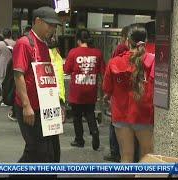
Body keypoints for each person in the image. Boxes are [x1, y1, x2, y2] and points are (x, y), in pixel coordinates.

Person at [13, 6, 62, 162]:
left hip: (45, 107)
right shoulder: (24, 43)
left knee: (51, 152)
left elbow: (47, 78)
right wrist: (26, 106)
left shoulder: (44, 45)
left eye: (55, 26)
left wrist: (57, 104)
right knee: (36, 150)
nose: (53, 29)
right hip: (30, 108)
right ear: (38, 21)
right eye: (50, 25)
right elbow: (18, 75)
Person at [102, 24, 155, 163]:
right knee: (146, 154)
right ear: (146, 41)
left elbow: (107, 89)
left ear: (127, 41)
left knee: (126, 155)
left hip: (120, 114)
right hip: (144, 114)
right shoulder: (152, 61)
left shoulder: (114, 62)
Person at [64, 29, 105, 151]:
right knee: (90, 113)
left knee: (77, 116)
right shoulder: (97, 53)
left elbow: (67, 70)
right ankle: (94, 132)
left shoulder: (73, 52)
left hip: (77, 91)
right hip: (91, 90)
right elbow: (103, 71)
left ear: (78, 40)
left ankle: (79, 140)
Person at [103, 26, 129, 162]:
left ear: (125, 37)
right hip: (133, 101)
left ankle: (115, 153)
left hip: (118, 97)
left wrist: (107, 93)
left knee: (115, 125)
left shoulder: (120, 51)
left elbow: (111, 72)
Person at [0, 28, 16, 102]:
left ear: (3, 35)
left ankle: (3, 98)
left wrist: (0, 54)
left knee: (1, 81)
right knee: (10, 82)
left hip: (2, 64)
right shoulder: (15, 43)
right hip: (12, 64)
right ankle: (8, 98)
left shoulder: (0, 43)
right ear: (10, 35)